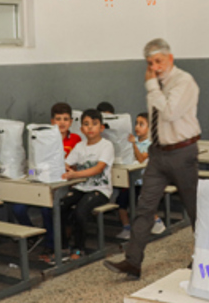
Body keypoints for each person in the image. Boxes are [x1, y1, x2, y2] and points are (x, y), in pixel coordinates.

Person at [104, 38, 201, 280]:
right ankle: (132, 262)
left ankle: (202, 259)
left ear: (170, 59)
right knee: (144, 207)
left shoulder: (183, 81)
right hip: (158, 154)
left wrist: (151, 87)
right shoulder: (155, 84)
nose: (155, 67)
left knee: (195, 210)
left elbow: (169, 112)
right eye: (150, 63)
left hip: (182, 152)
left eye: (159, 61)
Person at [10, 103, 82, 263]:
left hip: (63, 185)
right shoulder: (41, 138)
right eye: (58, 119)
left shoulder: (76, 139)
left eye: (65, 119)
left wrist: (70, 167)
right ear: (52, 121)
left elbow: (79, 164)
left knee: (46, 208)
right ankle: (35, 236)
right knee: (18, 207)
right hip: (41, 183)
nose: (61, 123)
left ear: (71, 121)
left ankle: (51, 245)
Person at [60, 110, 115, 261]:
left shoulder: (106, 146)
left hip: (100, 191)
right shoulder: (79, 146)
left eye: (94, 124)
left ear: (101, 128)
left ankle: (79, 248)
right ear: (82, 129)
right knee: (61, 205)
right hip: (81, 188)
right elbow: (66, 163)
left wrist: (75, 174)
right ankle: (63, 245)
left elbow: (98, 169)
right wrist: (65, 168)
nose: (90, 128)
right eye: (86, 124)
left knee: (80, 211)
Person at [116, 112, 165, 240]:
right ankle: (127, 228)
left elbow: (141, 159)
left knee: (143, 203)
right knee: (121, 203)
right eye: (136, 123)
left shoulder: (151, 144)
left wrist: (133, 144)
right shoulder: (133, 141)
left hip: (145, 181)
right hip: (132, 180)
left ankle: (157, 222)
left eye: (141, 124)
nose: (137, 127)